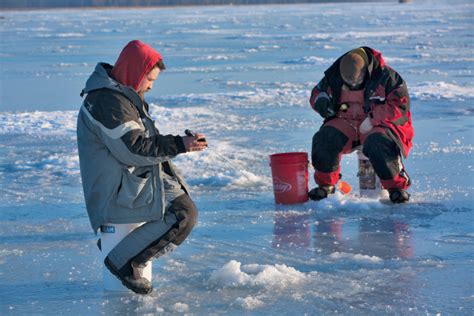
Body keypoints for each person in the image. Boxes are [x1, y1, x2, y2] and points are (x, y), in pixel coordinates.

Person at [77, 40, 207, 294]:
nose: (149, 85)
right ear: (134, 72)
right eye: (149, 79)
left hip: (132, 179)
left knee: (184, 209)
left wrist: (181, 143)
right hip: (116, 187)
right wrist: (180, 144)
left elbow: (140, 142)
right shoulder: (108, 102)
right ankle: (123, 260)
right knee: (183, 214)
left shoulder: (120, 95)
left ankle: (122, 252)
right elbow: (134, 148)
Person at [308, 47, 413, 203]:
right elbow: (317, 93)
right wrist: (322, 102)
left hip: (379, 124)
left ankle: (395, 187)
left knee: (378, 143)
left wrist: (372, 119)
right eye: (348, 82)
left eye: (356, 82)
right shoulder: (333, 75)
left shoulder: (387, 77)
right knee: (325, 138)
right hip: (346, 121)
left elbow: (400, 105)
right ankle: (326, 185)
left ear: (365, 72)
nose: (352, 85)